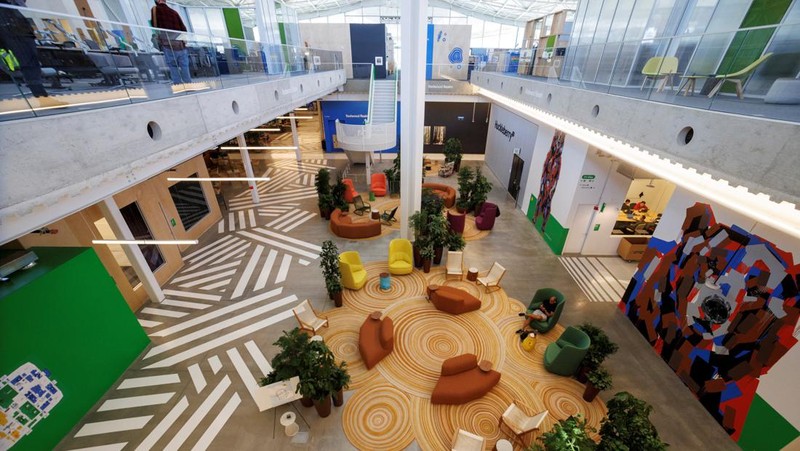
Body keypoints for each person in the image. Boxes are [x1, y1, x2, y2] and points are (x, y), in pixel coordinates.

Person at [0, 0, 50, 98]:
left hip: (16, 25)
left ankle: (40, 95)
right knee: (28, 61)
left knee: (30, 61)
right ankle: (40, 95)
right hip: (11, 27)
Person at [151, 0, 191, 84]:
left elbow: (154, 26)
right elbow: (184, 29)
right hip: (180, 44)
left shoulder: (155, 9)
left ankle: (178, 85)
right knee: (184, 66)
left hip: (168, 44)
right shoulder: (174, 12)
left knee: (173, 66)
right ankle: (188, 84)